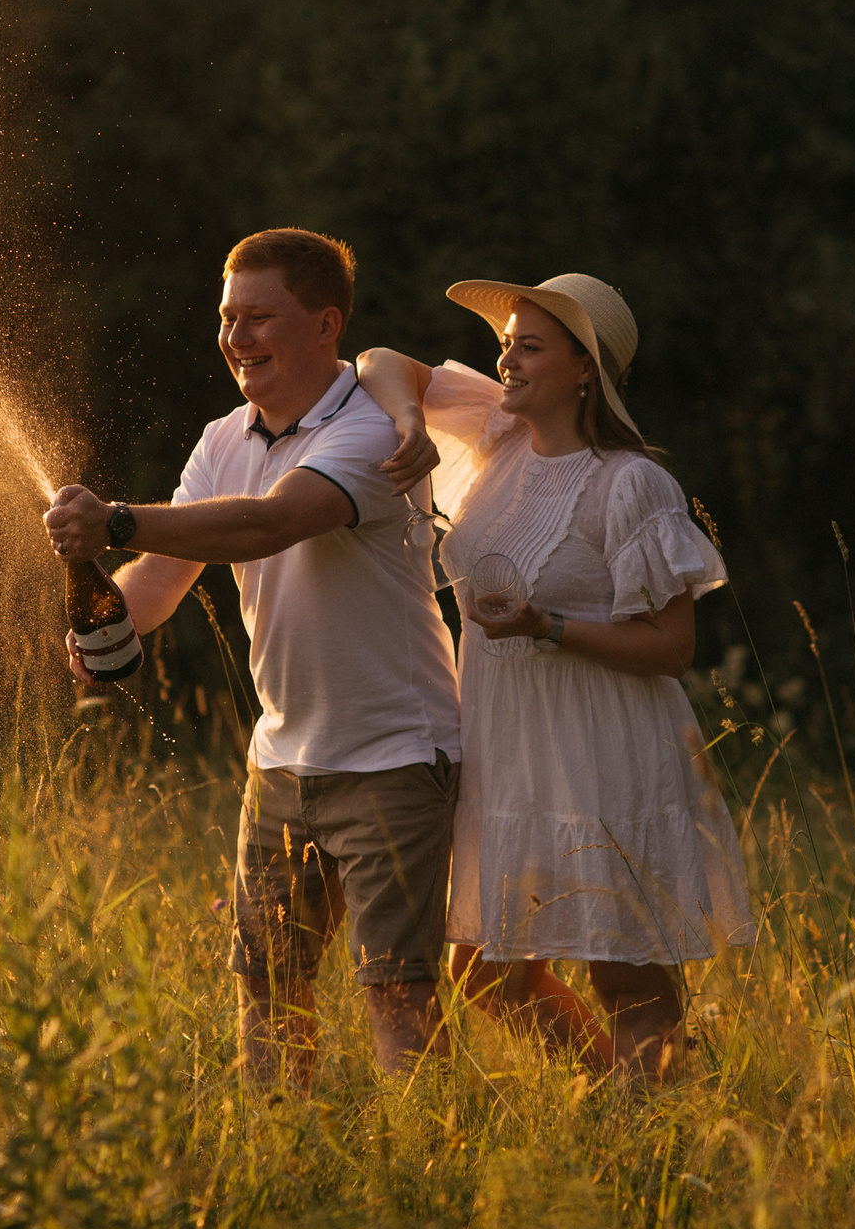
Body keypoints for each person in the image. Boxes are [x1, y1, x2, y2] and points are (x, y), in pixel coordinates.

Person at [43, 228, 462, 1084]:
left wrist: (115, 516)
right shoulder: (222, 436)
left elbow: (266, 522)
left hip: (396, 755)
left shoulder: (374, 430)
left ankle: (435, 1179)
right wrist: (109, 625)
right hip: (281, 763)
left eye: (260, 317)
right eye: (228, 318)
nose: (237, 337)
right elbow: (162, 577)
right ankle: (285, 1156)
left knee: (399, 995)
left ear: (325, 325)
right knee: (267, 986)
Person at [356, 272, 753, 1083]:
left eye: (529, 347)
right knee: (482, 968)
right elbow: (378, 361)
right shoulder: (497, 437)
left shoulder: (630, 482)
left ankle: (657, 1129)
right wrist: (409, 425)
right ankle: (617, 1084)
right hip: (505, 743)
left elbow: (673, 645)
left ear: (585, 369)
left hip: (603, 742)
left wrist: (552, 625)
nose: (507, 360)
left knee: (624, 969)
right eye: (506, 344)